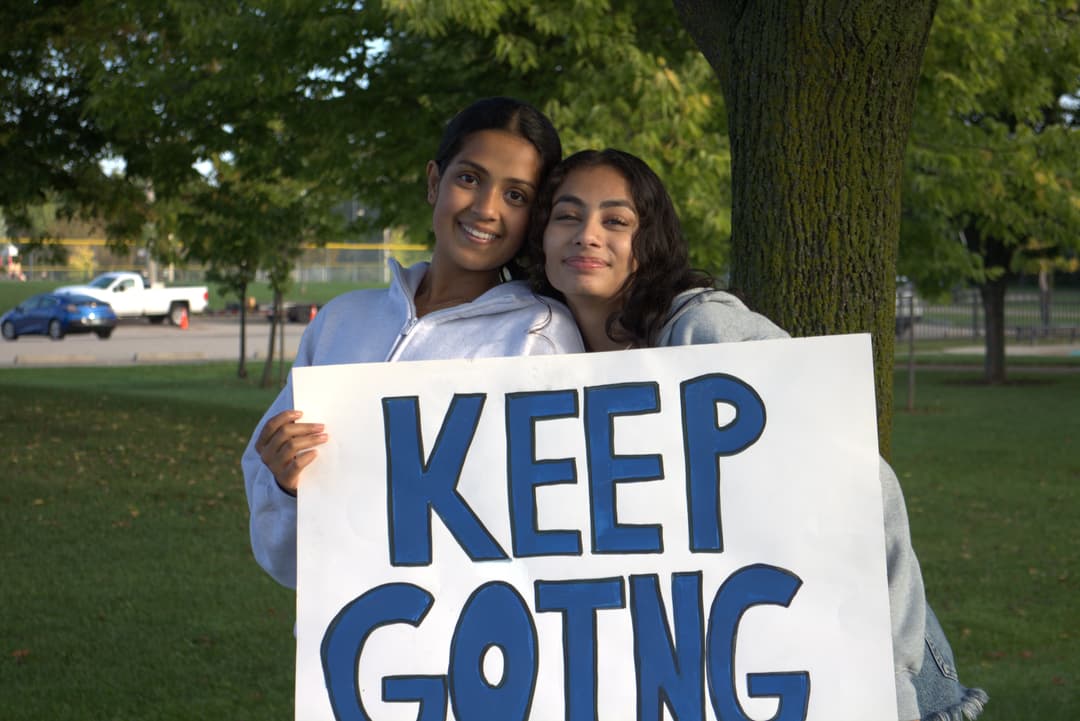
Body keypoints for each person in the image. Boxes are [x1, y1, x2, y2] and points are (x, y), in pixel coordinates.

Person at [527, 148, 988, 721]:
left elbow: (865, 494)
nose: (587, 235)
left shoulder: (704, 331)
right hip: (728, 667)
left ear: (648, 243)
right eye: (567, 216)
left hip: (872, 660)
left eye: (615, 220)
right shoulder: (547, 356)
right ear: (541, 235)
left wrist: (882, 681)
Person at [242, 97, 584, 591]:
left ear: (536, 216)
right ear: (433, 182)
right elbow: (285, 554)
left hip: (476, 647)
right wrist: (285, 485)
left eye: (516, 195)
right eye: (469, 178)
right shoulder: (341, 322)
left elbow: (560, 526)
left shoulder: (540, 337)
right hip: (345, 647)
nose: (486, 209)